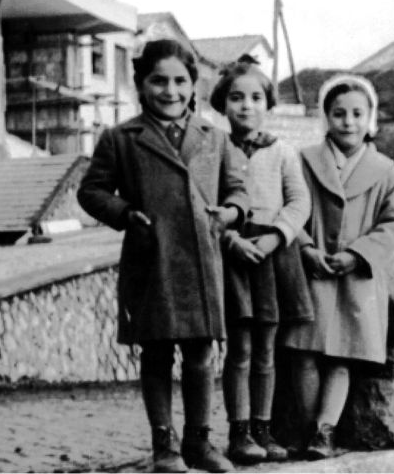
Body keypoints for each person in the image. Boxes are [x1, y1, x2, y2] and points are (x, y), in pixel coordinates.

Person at [77, 39, 248, 473]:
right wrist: (125, 214)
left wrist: (229, 213)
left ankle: (199, 443)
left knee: (200, 354)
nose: (169, 91)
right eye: (158, 80)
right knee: (155, 354)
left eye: (180, 81)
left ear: (194, 86)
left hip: (200, 261)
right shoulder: (121, 138)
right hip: (150, 261)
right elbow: (91, 191)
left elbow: (238, 193)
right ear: (140, 85)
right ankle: (164, 446)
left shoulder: (216, 138)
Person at [281, 74, 394, 459]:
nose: (348, 122)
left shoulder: (388, 172)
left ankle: (325, 431)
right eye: (339, 113)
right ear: (326, 117)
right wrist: (305, 248)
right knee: (304, 352)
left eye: (357, 113)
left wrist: (358, 253)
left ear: (370, 118)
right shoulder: (301, 162)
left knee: (341, 357)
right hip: (311, 273)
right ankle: (304, 429)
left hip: (356, 279)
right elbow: (287, 207)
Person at [209, 62, 312, 464]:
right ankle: (238, 432)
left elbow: (299, 201)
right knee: (240, 349)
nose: (246, 106)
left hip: (273, 254)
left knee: (267, 349)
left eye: (255, 98)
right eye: (236, 97)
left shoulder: (282, 151)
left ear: (268, 104)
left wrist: (274, 238)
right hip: (234, 255)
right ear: (222, 104)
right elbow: (207, 203)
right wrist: (230, 239)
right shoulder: (214, 148)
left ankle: (264, 428)